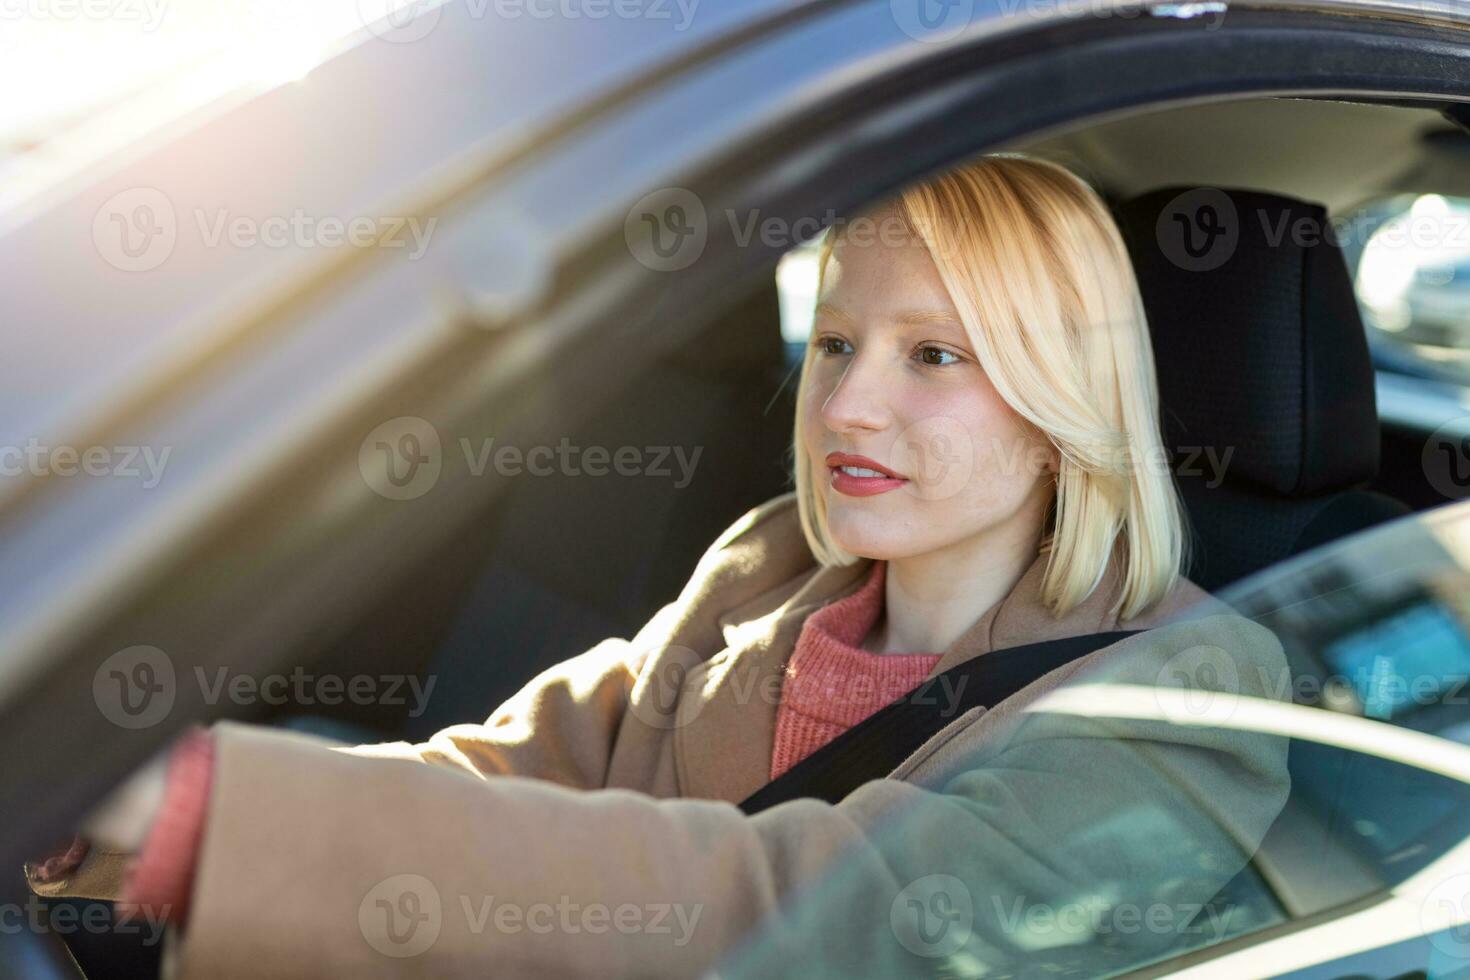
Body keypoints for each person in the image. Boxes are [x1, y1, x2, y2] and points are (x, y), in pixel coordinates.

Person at [29, 154, 1291, 978]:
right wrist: (91, 819)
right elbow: (487, 778)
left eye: (934, 356)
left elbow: (799, 919)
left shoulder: (1193, 697)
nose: (845, 403)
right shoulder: (764, 572)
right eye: (839, 338)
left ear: (1061, 397)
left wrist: (205, 808)